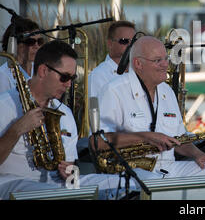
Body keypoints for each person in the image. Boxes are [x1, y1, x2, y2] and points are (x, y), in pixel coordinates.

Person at [0, 40, 158, 200]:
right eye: (64, 77)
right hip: (14, 183)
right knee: (57, 194)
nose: (69, 84)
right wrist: (17, 129)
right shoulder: (4, 106)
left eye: (72, 78)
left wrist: (71, 171)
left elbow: (70, 169)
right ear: (43, 71)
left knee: (138, 182)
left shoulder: (64, 113)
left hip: (59, 183)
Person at [97, 36, 205, 191]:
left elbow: (179, 138)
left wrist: (198, 154)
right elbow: (99, 142)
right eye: (158, 60)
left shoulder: (167, 91)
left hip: (169, 168)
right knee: (154, 184)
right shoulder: (114, 91)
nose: (166, 64)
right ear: (138, 64)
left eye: (166, 59)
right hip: (132, 170)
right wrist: (145, 137)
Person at [88, 20, 136, 98]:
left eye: (134, 41)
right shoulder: (97, 75)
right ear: (110, 44)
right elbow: (94, 108)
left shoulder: (140, 71)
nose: (130, 45)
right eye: (124, 41)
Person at [0, 17, 43, 93]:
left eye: (40, 41)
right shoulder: (3, 76)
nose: (36, 46)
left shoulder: (40, 69)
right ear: (14, 44)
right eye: (30, 41)